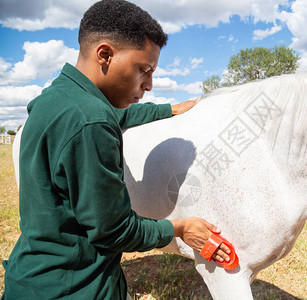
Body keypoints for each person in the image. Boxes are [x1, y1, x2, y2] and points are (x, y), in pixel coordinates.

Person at [1, 0, 230, 299]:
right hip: (77, 287)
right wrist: (179, 227)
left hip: (34, 276)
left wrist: (168, 109)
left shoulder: (55, 100)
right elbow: (114, 231)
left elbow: (118, 115)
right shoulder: (90, 122)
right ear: (105, 55)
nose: (149, 83)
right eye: (143, 69)